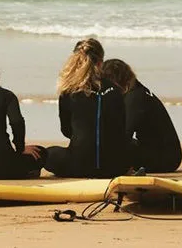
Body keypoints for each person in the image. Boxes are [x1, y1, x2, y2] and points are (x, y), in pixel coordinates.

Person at [44, 38, 129, 178]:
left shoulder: (68, 90)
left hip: (79, 166)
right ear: (100, 63)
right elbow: (121, 130)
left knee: (46, 153)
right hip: (115, 167)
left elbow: (66, 131)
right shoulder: (115, 90)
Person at [102, 59, 182, 173]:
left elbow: (124, 135)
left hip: (165, 159)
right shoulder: (138, 91)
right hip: (164, 153)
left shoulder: (135, 99)